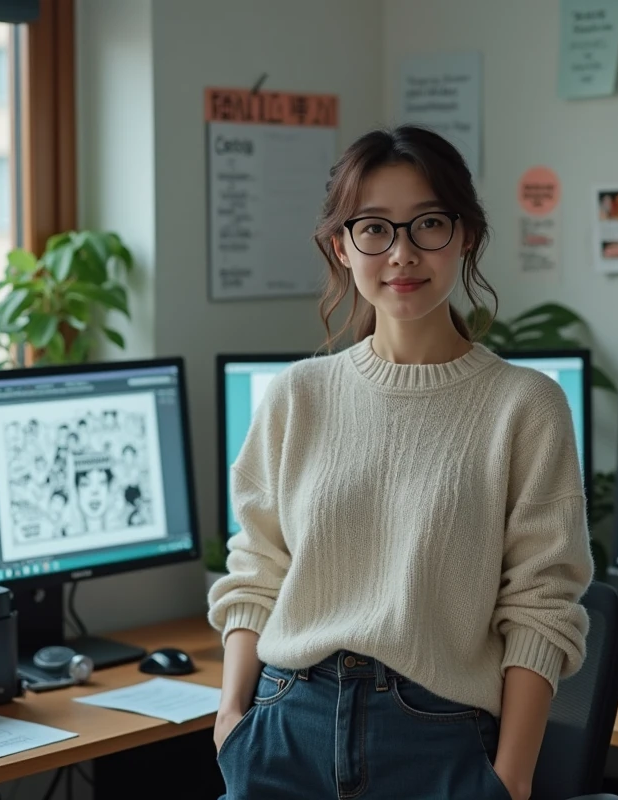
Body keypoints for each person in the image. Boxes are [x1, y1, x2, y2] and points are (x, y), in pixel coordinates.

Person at [206, 125, 593, 800]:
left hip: (436, 736)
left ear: (466, 234)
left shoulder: (525, 406)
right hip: (283, 725)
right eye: (375, 229)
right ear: (342, 245)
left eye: (429, 224)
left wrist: (513, 779)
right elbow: (257, 569)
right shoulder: (300, 394)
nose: (403, 253)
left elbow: (541, 605)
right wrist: (231, 720)